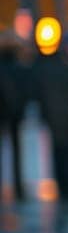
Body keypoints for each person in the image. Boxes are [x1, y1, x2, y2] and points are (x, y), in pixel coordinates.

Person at [34, 40, 68, 203]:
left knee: (60, 152)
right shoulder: (66, 69)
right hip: (65, 118)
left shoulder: (48, 70)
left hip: (56, 119)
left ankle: (65, 185)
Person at [0, 31, 30, 201]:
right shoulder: (20, 67)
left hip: (3, 112)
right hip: (16, 113)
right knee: (17, 151)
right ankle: (19, 188)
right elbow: (26, 90)